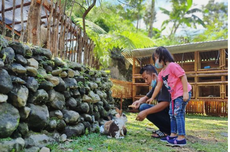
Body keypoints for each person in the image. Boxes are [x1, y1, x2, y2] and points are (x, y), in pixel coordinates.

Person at [147, 46, 192, 147]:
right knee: (171, 114)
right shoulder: (162, 72)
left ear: (162, 56)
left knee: (178, 113)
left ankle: (181, 138)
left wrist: (185, 92)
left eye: (156, 58)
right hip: (174, 96)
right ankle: (173, 135)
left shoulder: (172, 66)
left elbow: (183, 76)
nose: (155, 61)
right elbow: (158, 86)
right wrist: (152, 97)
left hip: (181, 93)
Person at [132, 65, 171, 138]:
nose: (146, 82)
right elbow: (146, 97)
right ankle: (164, 129)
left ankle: (167, 131)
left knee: (144, 108)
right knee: (143, 106)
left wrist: (145, 112)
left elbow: (165, 103)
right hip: (166, 115)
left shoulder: (163, 83)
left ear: (153, 75)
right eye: (144, 79)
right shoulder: (156, 86)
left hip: (172, 118)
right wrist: (138, 101)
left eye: (146, 78)